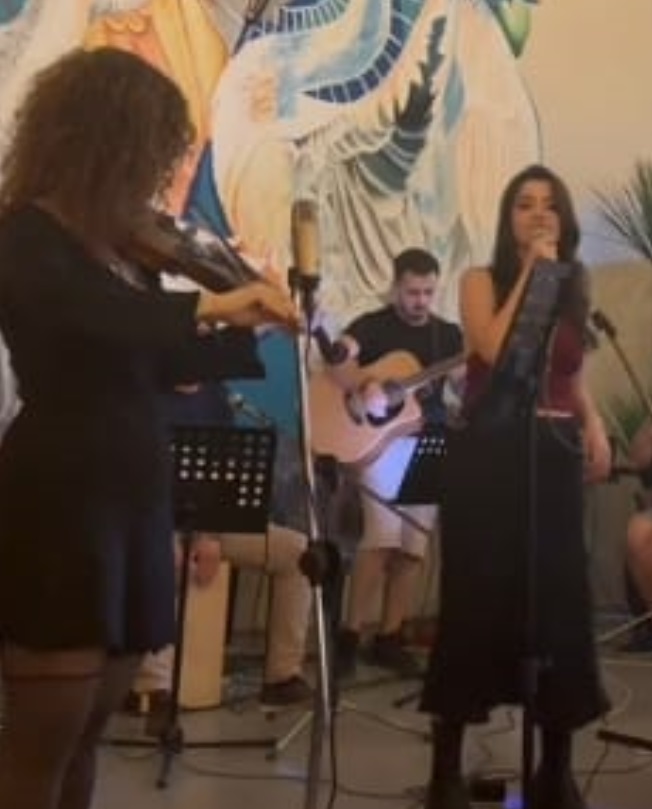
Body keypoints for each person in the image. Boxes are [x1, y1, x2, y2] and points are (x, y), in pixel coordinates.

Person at [0, 47, 298, 809]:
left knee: (87, 737)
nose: (158, 177)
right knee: (40, 745)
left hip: (132, 496)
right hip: (62, 495)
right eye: (152, 153)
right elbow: (91, 318)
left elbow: (159, 359)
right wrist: (212, 302)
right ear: (104, 141)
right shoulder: (26, 236)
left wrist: (255, 324)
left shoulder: (121, 251)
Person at [420, 164, 611, 809]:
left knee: (559, 604)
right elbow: (494, 349)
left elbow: (570, 373)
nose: (538, 215)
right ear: (508, 220)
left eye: (550, 205)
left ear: (564, 219)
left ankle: (554, 768)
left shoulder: (575, 285)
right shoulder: (480, 281)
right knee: (476, 603)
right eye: (525, 205)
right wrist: (533, 273)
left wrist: (594, 424)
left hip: (553, 455)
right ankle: (446, 768)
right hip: (490, 456)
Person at [126, 384, 313, 719]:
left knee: (297, 551)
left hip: (207, 523)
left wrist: (208, 532)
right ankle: (154, 688)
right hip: (153, 522)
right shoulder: (144, 392)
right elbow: (135, 483)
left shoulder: (215, 396)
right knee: (165, 557)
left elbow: (224, 472)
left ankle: (283, 676)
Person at [329, 248, 463, 678]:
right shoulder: (373, 325)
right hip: (381, 447)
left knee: (412, 548)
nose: (420, 301)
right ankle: (350, 636)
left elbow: (463, 386)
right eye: (412, 292)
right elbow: (339, 358)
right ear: (395, 287)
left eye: (427, 292)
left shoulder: (448, 336)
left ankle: (389, 638)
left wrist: (472, 378)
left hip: (427, 443)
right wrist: (365, 382)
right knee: (381, 540)